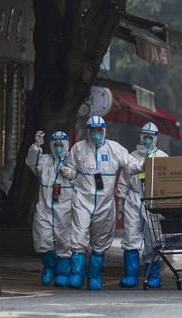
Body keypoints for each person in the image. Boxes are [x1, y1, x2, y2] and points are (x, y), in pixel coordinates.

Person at [60, 115, 143, 290]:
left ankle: (94, 277)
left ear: (104, 130)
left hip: (105, 202)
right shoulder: (78, 149)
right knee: (79, 235)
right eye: (93, 130)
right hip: (83, 198)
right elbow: (72, 169)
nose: (96, 133)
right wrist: (67, 172)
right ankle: (76, 276)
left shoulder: (114, 149)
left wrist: (142, 166)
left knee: (101, 239)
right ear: (88, 131)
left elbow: (130, 164)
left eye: (100, 130)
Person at [117, 121, 168, 288]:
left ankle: (153, 276)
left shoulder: (162, 157)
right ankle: (130, 275)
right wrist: (120, 200)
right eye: (145, 136)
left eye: (150, 137)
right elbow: (124, 180)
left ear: (156, 138)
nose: (147, 140)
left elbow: (168, 182)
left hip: (154, 201)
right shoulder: (131, 156)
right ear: (141, 136)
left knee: (154, 238)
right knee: (130, 236)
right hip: (134, 199)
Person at [27, 130, 74, 286]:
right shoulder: (45, 160)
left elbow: (83, 179)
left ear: (66, 145)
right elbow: (32, 163)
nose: (58, 148)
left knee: (65, 243)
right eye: (55, 145)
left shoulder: (72, 162)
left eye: (61, 145)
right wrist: (36, 146)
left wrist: (71, 174)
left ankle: (62, 273)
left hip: (65, 210)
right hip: (45, 208)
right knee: (42, 240)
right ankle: (49, 267)